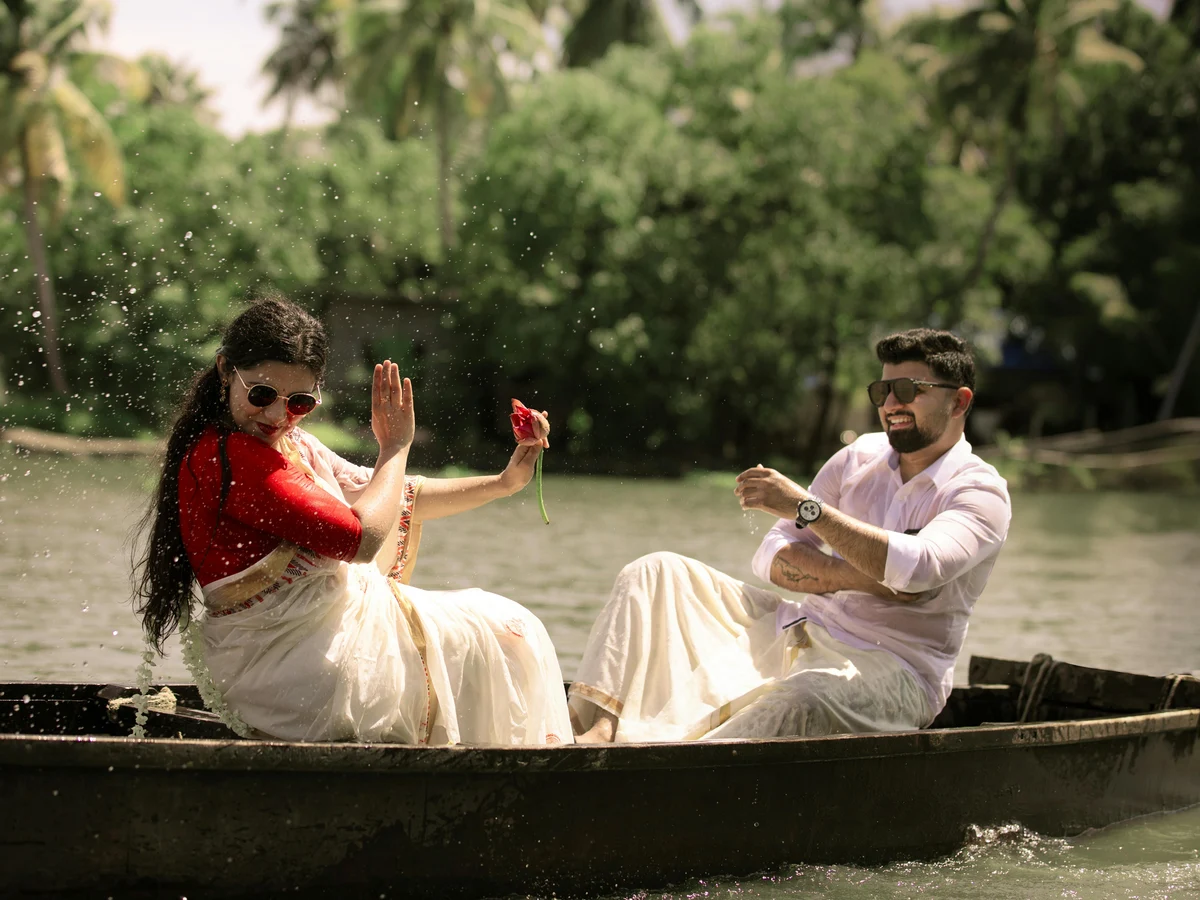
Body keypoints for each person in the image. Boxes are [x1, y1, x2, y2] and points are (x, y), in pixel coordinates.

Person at [134, 295, 573, 745]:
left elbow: (389, 495)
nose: (276, 415)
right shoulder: (229, 458)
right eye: (262, 394)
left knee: (504, 626)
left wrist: (504, 482)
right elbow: (361, 539)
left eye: (299, 402)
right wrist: (396, 447)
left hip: (303, 651)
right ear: (226, 370)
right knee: (503, 630)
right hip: (288, 673)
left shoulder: (289, 445)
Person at [569, 328, 1011, 743]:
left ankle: (661, 769)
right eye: (882, 391)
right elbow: (772, 556)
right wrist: (865, 579)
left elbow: (916, 570)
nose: (891, 403)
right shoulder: (858, 458)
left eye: (909, 390)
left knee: (801, 699)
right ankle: (600, 734)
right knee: (654, 571)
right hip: (803, 627)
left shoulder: (979, 491)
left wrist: (807, 510)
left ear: (958, 402)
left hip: (898, 670)